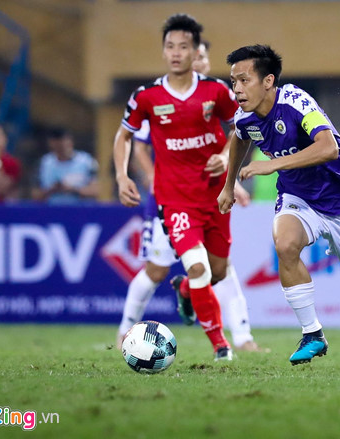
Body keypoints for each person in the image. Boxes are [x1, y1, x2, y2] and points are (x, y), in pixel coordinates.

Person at [219, 44, 340, 376]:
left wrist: (272, 164)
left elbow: (328, 147)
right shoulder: (245, 116)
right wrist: (228, 185)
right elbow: (239, 137)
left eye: (243, 80)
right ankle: (312, 333)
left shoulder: (296, 102)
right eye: (233, 81)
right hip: (298, 196)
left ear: (268, 80)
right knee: (285, 244)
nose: (236, 89)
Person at [114, 14, 238, 361]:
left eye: (184, 46)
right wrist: (123, 176)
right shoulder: (147, 96)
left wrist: (227, 155)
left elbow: (241, 128)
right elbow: (125, 135)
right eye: (170, 46)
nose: (176, 53)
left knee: (216, 272)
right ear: (164, 50)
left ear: (196, 50)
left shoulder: (216, 91)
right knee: (197, 266)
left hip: (215, 196)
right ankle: (221, 346)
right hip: (175, 200)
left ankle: (185, 290)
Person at [118, 120, 265, 352]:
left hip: (206, 196)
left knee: (220, 268)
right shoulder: (157, 101)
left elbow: (230, 139)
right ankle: (124, 332)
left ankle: (242, 337)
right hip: (169, 199)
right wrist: (151, 176)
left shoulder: (212, 99)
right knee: (156, 271)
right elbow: (139, 147)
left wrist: (230, 180)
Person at [32, 127, 100, 204]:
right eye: (57, 145)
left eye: (63, 143)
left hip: (81, 211)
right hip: (52, 211)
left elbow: (96, 191)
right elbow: (35, 195)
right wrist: (52, 190)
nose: (61, 148)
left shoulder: (87, 162)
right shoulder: (43, 163)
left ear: (71, 142)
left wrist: (72, 190)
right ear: (51, 144)